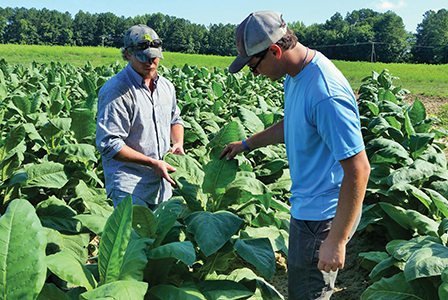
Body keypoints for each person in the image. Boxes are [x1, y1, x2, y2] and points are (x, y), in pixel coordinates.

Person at [220, 11, 371, 300]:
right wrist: (248, 143)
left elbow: (359, 168)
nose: (255, 75)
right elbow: (294, 122)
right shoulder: (297, 74)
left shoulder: (325, 93)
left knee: (307, 294)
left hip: (322, 218)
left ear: (275, 50)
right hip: (311, 209)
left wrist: (335, 241)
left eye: (254, 66)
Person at [96, 24, 184, 210]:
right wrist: (151, 163)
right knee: (136, 239)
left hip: (162, 186)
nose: (150, 63)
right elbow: (109, 143)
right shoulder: (117, 90)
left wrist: (177, 143)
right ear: (128, 54)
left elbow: (175, 120)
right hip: (130, 188)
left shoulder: (166, 87)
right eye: (143, 57)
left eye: (154, 57)